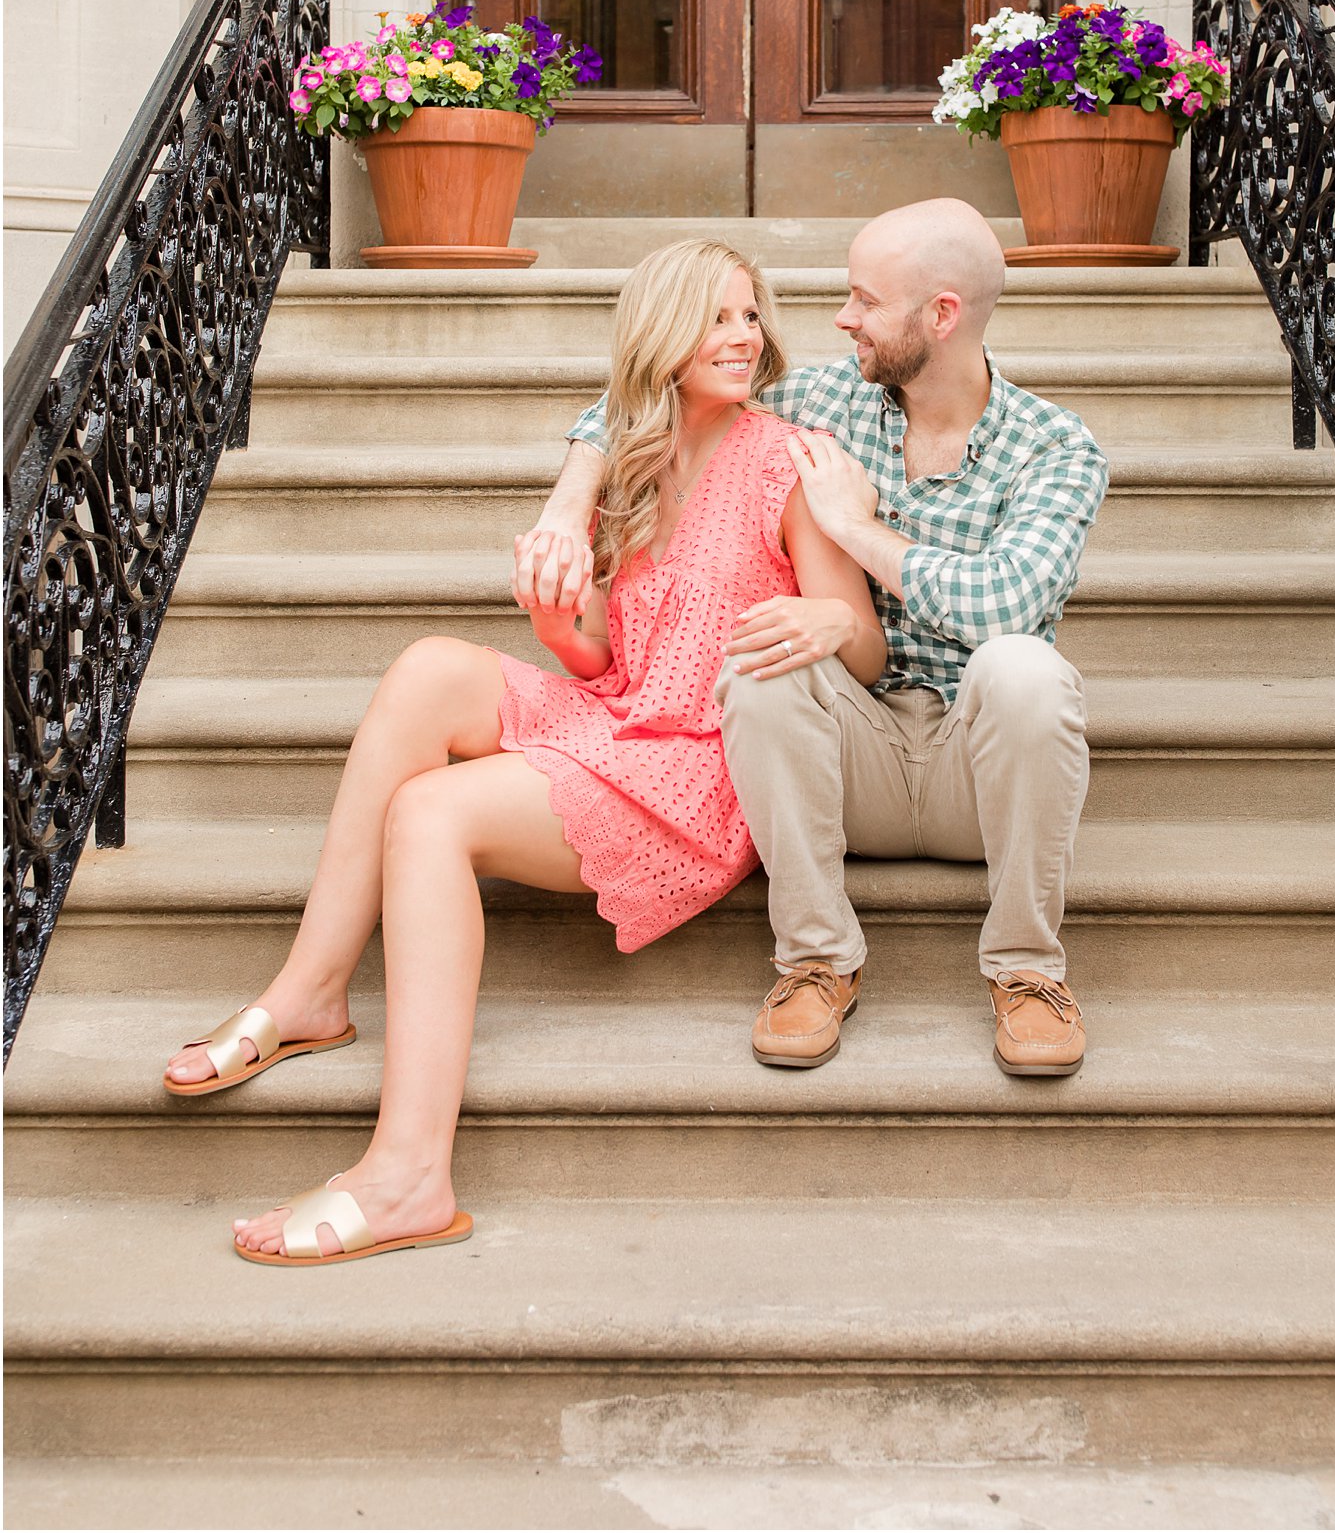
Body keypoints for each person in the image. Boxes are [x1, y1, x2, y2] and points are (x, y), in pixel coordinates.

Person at [161, 241, 884, 1264]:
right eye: (716, 318)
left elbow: (860, 640)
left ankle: (410, 1175)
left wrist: (823, 619)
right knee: (425, 668)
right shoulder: (630, 464)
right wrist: (552, 620)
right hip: (623, 715)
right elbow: (597, 656)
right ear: (659, 336)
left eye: (750, 317)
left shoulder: (786, 460)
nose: (740, 337)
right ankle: (310, 992)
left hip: (707, 765)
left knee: (430, 812)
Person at [518, 199, 1108, 1079]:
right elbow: (651, 385)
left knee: (1025, 666)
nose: (842, 319)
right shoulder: (832, 395)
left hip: (978, 769)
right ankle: (817, 959)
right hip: (849, 751)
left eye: (865, 301)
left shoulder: (1056, 447)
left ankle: (1028, 970)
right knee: (762, 662)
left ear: (939, 315)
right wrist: (570, 505)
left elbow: (1003, 603)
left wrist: (859, 532)